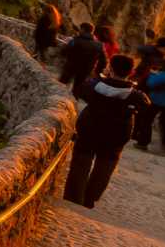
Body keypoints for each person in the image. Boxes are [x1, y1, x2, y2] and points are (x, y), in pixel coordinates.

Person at [63, 54, 150, 208]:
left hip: (90, 128)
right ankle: (90, 197)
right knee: (106, 165)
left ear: (110, 68)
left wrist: (101, 76)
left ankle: (74, 196)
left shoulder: (94, 86)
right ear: (130, 71)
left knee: (81, 162)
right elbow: (145, 105)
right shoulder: (135, 95)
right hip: (117, 134)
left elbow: (81, 91)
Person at [59, 22, 105, 95]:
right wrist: (97, 71)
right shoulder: (99, 45)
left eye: (80, 29)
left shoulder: (75, 40)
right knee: (77, 90)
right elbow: (103, 61)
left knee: (61, 85)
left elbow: (64, 51)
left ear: (83, 29)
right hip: (86, 70)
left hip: (71, 67)